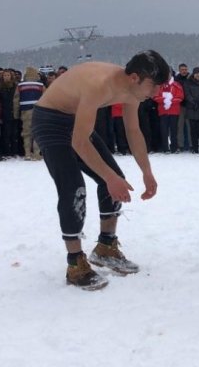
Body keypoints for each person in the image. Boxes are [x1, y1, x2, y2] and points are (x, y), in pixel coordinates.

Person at [32, 50, 170, 291]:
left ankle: (106, 246)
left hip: (74, 121)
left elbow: (133, 131)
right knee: (74, 188)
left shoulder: (134, 91)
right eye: (154, 86)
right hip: (50, 120)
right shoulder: (99, 84)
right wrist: (108, 177)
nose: (156, 93)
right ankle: (75, 263)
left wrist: (147, 172)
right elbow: (79, 143)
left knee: (118, 179)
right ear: (135, 77)